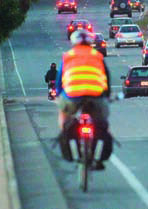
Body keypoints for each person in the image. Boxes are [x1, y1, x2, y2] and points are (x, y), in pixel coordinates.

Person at [55, 30, 112, 170]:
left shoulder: (67, 57)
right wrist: (107, 94)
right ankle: (96, 156)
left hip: (72, 96)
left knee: (63, 113)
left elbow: (59, 81)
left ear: (73, 43)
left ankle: (64, 134)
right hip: (95, 96)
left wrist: (59, 94)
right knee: (103, 121)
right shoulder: (97, 56)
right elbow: (106, 78)